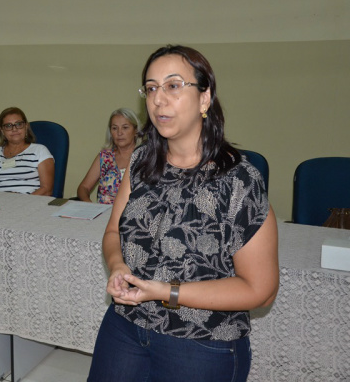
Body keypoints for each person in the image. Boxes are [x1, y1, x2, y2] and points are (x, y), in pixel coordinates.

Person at [87, 45, 279, 382]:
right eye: (150, 88)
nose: (158, 99)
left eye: (173, 86)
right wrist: (118, 266)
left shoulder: (239, 180)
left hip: (201, 340)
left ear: (205, 99)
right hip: (127, 324)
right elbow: (114, 233)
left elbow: (261, 289)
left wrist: (165, 291)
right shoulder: (142, 161)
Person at [0, 107, 54, 195]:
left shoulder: (40, 151)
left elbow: (46, 189)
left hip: (28, 203)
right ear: (2, 130)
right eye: (8, 126)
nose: (14, 129)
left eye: (18, 124)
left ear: (26, 127)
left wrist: (21, 202)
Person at [77, 108, 141, 204]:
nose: (119, 133)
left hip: (133, 216)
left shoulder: (145, 157)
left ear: (135, 130)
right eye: (114, 128)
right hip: (103, 215)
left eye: (125, 127)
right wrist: (88, 204)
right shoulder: (105, 157)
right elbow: (83, 188)